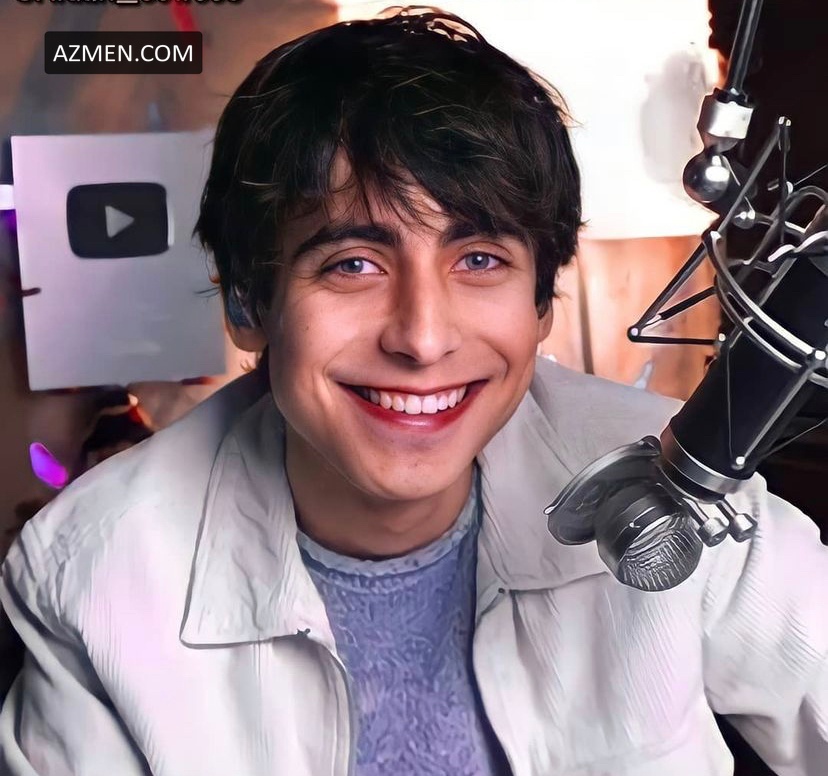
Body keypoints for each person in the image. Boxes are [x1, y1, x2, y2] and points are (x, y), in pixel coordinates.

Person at [0, 9, 826, 776]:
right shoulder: (92, 576)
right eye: (353, 264)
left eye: (480, 261)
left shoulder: (683, 486)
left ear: (541, 304)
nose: (424, 338)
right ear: (248, 304)